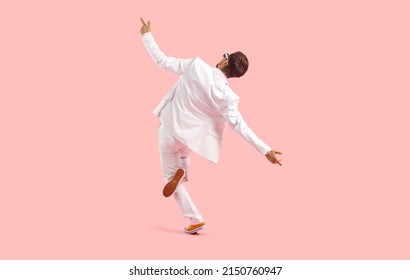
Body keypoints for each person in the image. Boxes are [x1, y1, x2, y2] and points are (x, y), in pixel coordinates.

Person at [140, 18, 282, 234]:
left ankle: (194, 217)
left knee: (170, 176)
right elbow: (240, 126)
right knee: (183, 155)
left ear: (225, 62)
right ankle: (183, 170)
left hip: (170, 129)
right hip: (190, 141)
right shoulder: (229, 97)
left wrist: (146, 34)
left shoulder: (195, 66)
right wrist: (266, 150)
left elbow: (161, 60)